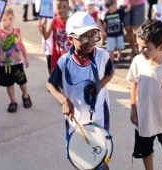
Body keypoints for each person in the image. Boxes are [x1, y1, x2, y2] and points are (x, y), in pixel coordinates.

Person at [46, 12, 114, 170]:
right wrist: (64, 100)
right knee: (82, 159)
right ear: (70, 39)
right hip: (75, 122)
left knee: (101, 159)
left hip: (99, 119)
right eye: (84, 37)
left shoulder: (102, 56)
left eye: (93, 36)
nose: (90, 42)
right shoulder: (64, 62)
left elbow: (110, 72)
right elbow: (51, 84)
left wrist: (100, 85)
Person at [127, 20, 162, 170]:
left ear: (161, 47)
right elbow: (133, 84)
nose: (141, 50)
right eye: (138, 46)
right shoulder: (137, 61)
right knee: (145, 148)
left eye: (146, 47)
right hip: (144, 116)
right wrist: (133, 109)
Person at [0, 8, 32, 113]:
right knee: (9, 84)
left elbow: (20, 44)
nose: (8, 22)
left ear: (14, 18)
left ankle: (25, 95)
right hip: (4, 65)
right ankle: (13, 102)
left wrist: (26, 57)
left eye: (10, 19)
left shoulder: (17, 30)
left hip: (17, 63)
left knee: (22, 82)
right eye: (4, 20)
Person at [38, 0, 72, 72]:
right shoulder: (54, 21)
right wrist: (43, 28)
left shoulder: (72, 21)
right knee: (55, 76)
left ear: (68, 7)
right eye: (58, 7)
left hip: (69, 55)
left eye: (64, 7)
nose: (61, 10)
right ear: (55, 8)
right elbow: (46, 36)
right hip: (57, 55)